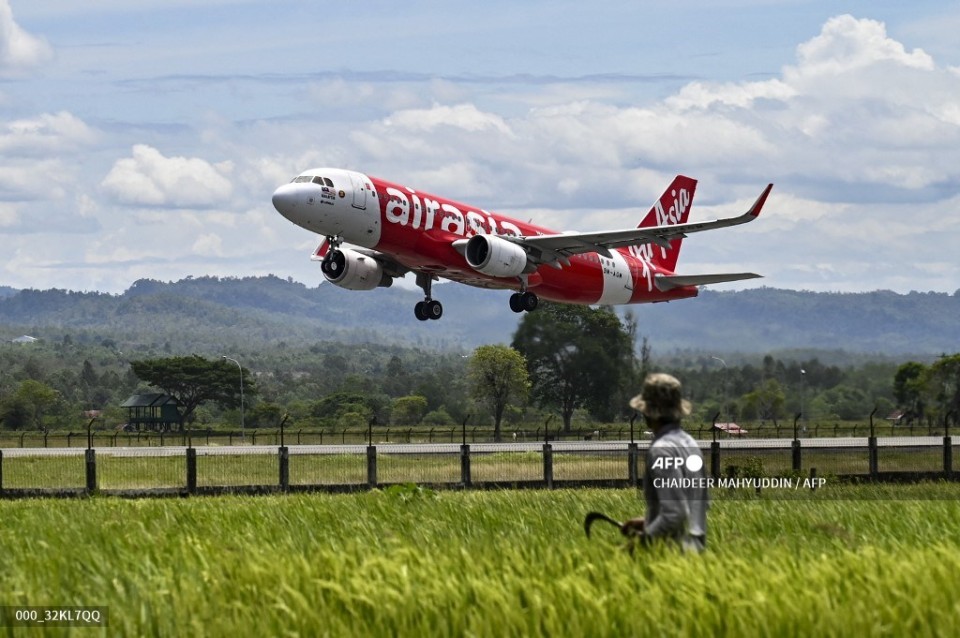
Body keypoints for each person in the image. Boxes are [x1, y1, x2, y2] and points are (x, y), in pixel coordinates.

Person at [622, 373, 708, 553]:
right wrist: (649, 522)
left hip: (671, 554)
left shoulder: (662, 450)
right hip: (695, 554)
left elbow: (675, 513)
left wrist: (642, 542)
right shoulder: (690, 443)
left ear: (648, 411)